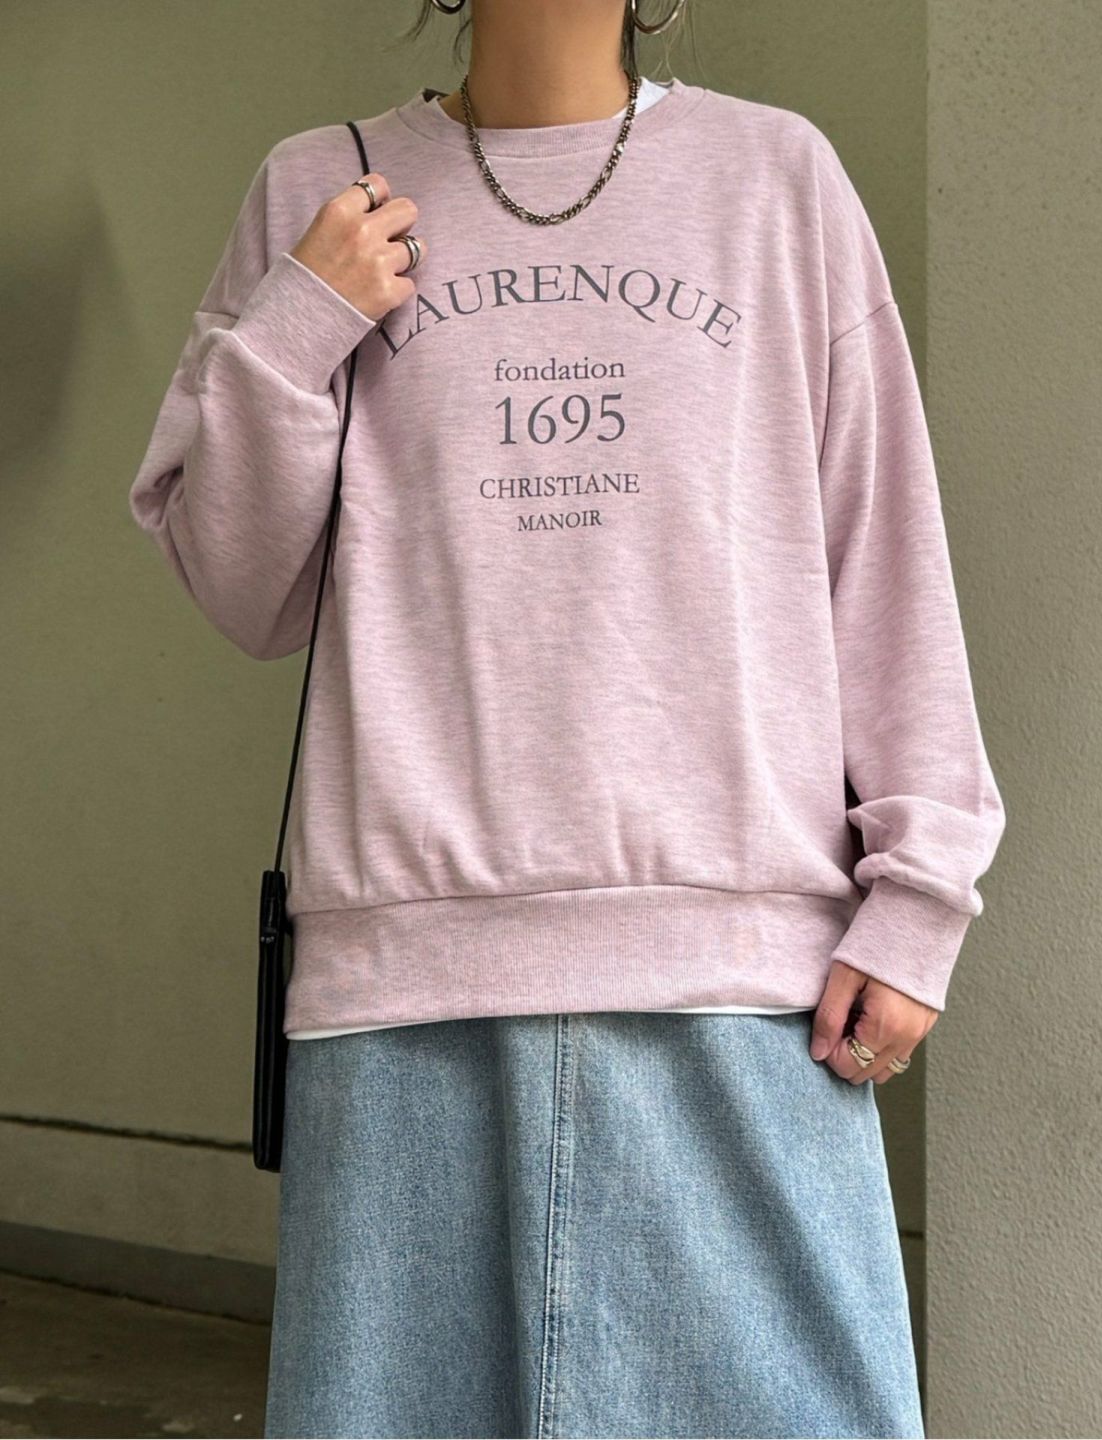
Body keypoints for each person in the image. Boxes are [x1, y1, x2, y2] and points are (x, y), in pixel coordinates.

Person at [128, 1, 1006, 1435]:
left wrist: (921, 894)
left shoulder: (775, 177)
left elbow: (883, 548)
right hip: (405, 995)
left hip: (736, 987)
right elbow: (243, 589)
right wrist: (298, 323)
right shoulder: (320, 187)